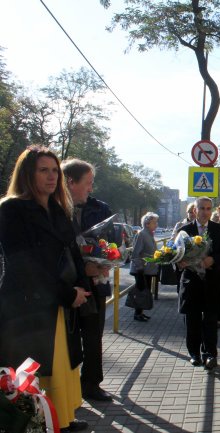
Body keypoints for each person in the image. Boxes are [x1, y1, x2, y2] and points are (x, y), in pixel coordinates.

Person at [0, 145, 91, 432]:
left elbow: (71, 253)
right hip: (28, 308)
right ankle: (34, 424)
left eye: (55, 171)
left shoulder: (59, 209)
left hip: (60, 306)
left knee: (61, 368)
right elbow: (25, 266)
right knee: (31, 371)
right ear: (28, 174)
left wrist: (83, 283)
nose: (52, 177)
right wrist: (68, 293)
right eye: (43, 170)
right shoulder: (11, 209)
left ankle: (61, 419)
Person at [61, 158, 113, 402]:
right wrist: (83, 267)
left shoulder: (100, 207)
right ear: (70, 182)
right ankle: (66, 391)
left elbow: (111, 242)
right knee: (67, 338)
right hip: (67, 285)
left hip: (95, 283)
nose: (91, 188)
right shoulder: (55, 208)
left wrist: (105, 261)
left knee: (93, 335)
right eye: (88, 183)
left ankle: (91, 384)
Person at [177, 197, 220, 370]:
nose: (205, 212)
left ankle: (210, 354)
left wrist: (212, 259)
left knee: (210, 321)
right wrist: (179, 262)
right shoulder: (184, 230)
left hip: (212, 282)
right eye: (202, 208)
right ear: (194, 211)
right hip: (191, 282)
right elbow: (174, 254)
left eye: (208, 208)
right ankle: (194, 354)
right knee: (192, 320)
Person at [128, 212, 159, 322]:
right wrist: (140, 268)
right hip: (141, 270)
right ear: (147, 224)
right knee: (141, 291)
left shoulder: (149, 233)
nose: (156, 224)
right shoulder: (142, 234)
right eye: (154, 222)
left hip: (148, 269)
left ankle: (140, 312)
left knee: (145, 291)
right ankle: (137, 314)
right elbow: (135, 253)